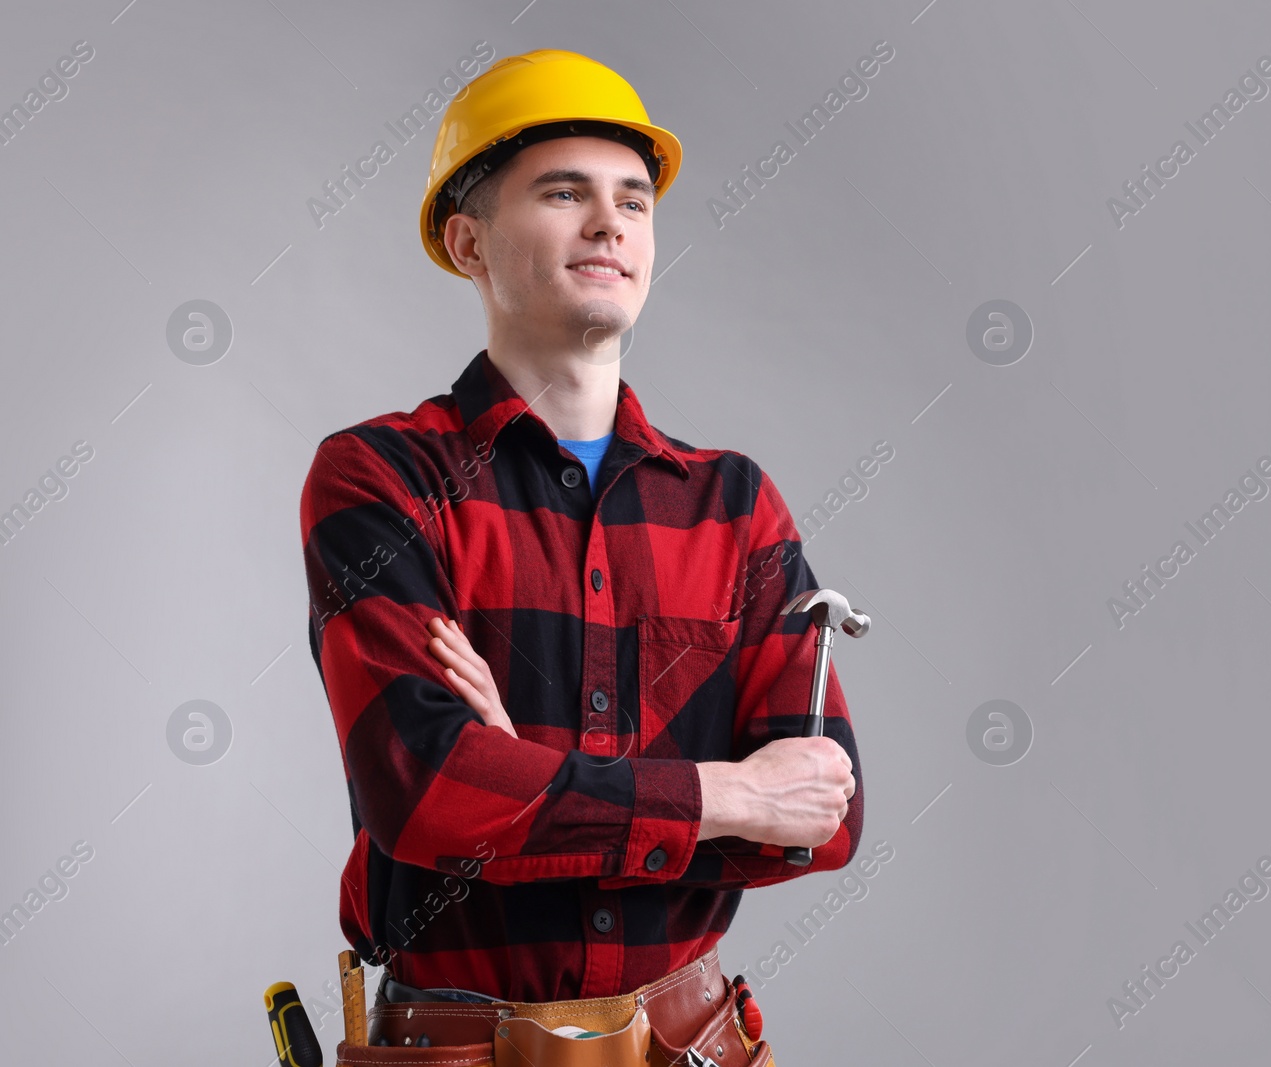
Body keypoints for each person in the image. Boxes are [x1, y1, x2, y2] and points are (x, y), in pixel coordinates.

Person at [298, 48, 862, 1060]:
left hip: (691, 1042)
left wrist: (525, 784)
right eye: (564, 193)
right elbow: (425, 793)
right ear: (467, 241)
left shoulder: (733, 504)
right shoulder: (379, 479)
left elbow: (823, 812)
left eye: (634, 201)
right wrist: (721, 792)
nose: (610, 223)